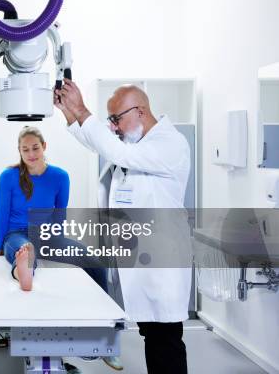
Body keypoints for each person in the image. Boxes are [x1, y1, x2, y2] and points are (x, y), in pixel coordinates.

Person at [54, 79, 191, 374]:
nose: (113, 126)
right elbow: (99, 142)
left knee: (165, 338)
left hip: (162, 260)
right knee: (152, 334)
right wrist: (70, 114)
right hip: (141, 258)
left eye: (117, 119)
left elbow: (116, 152)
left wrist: (83, 109)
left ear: (139, 110)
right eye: (110, 120)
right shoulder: (135, 142)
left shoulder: (170, 143)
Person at [0, 126, 70, 291]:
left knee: (92, 259)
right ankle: (22, 273)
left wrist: (58, 240)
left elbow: (60, 213)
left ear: (44, 146)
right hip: (17, 233)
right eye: (25, 150)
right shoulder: (8, 176)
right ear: (19, 151)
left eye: (35, 148)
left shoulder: (60, 177)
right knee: (25, 250)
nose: (31, 154)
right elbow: (2, 212)